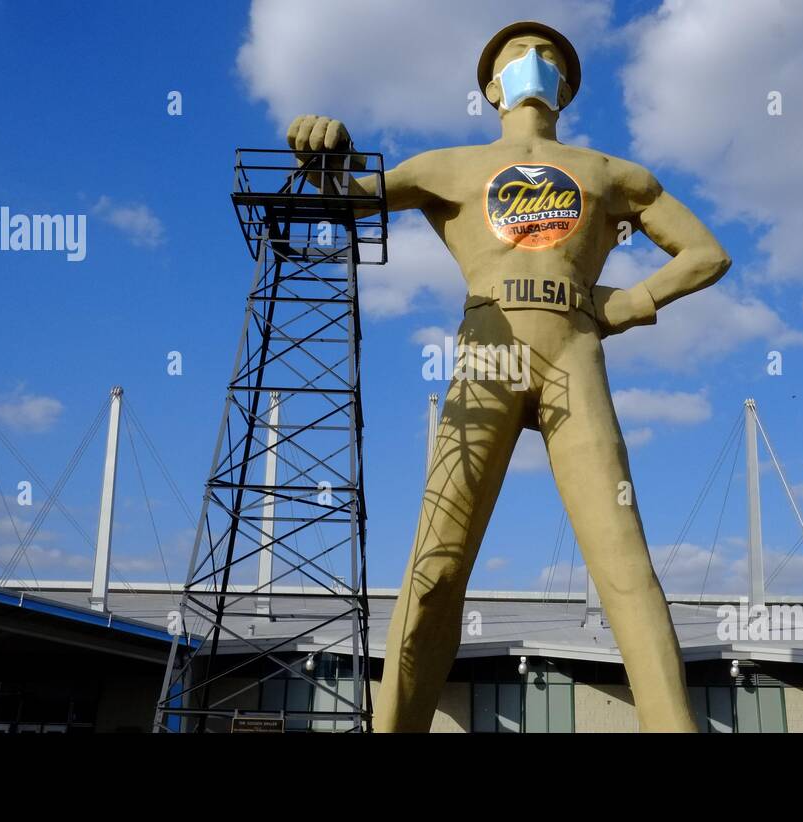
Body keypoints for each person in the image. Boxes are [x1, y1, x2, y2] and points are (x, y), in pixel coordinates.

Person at [287, 20, 731, 732]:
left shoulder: (609, 173)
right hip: (485, 355)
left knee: (625, 568)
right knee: (433, 569)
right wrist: (325, 151)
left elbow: (706, 253)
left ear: (569, 88)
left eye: (550, 57)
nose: (535, 63)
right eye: (518, 56)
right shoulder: (449, 167)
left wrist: (626, 304)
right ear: (492, 87)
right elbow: (344, 199)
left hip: (574, 359)